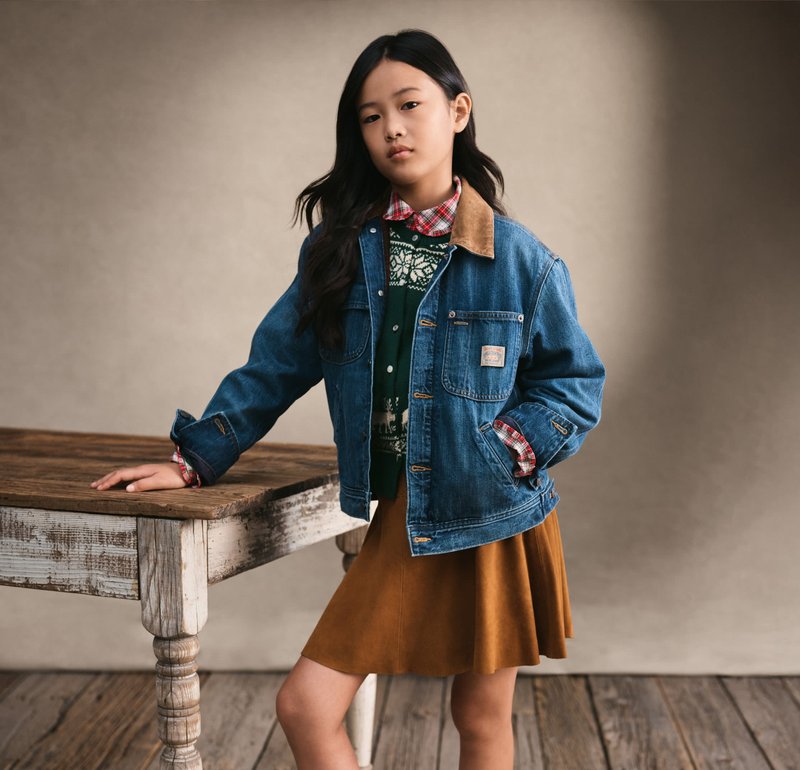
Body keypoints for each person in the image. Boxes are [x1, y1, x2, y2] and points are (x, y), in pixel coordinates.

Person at [90, 28, 605, 770]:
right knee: (306, 706)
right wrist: (195, 459)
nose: (391, 127)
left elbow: (573, 382)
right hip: (399, 513)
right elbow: (274, 365)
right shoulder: (338, 252)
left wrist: (508, 449)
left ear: (458, 112)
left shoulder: (521, 261)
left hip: (493, 513)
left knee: (481, 714)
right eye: (370, 116)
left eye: (409, 104)